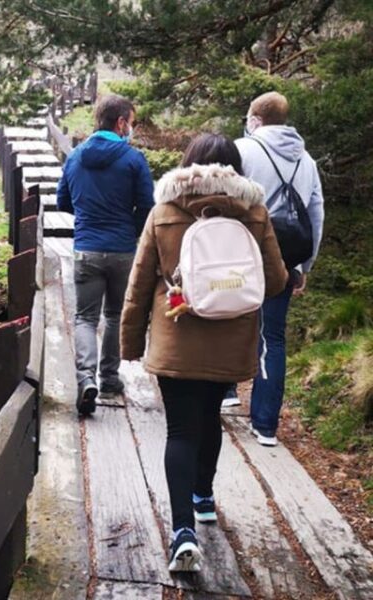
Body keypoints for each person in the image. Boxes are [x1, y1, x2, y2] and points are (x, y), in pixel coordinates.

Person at [120, 134, 288, 572]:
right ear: (234, 167)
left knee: (179, 429)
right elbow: (275, 281)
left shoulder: (164, 211)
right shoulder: (254, 212)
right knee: (210, 416)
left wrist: (130, 342)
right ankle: (204, 497)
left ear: (187, 164)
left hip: (177, 330)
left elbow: (139, 284)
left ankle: (181, 532)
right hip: (231, 338)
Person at [231, 92, 325, 445]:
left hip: (241, 252)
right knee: (273, 336)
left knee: (229, 318)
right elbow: (316, 215)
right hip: (284, 259)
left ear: (255, 119)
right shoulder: (307, 161)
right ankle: (266, 425)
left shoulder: (242, 149)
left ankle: (225, 391)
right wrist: (304, 264)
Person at [56, 94, 154, 416]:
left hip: (86, 247)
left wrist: (87, 215)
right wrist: (132, 229)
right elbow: (147, 205)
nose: (133, 129)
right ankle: (109, 379)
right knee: (114, 315)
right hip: (123, 249)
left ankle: (86, 379)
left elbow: (63, 202)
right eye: (132, 122)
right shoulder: (133, 159)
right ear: (121, 122)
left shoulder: (76, 157)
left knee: (85, 317)